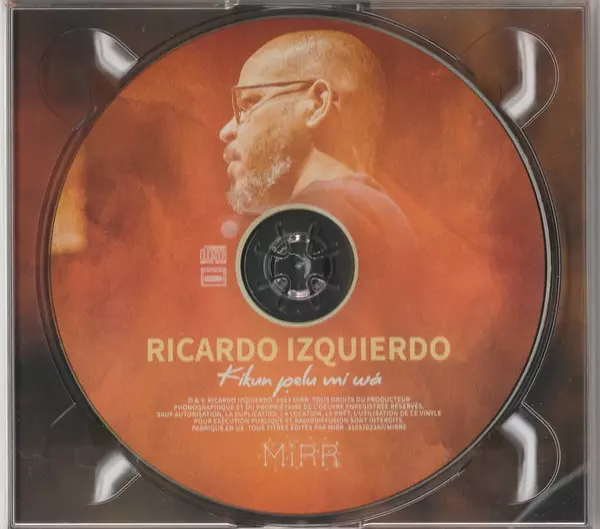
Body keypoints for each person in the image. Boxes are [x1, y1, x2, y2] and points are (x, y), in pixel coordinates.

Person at [218, 30, 423, 328]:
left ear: (316, 104)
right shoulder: (381, 216)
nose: (226, 130)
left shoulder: (329, 211)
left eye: (248, 104)